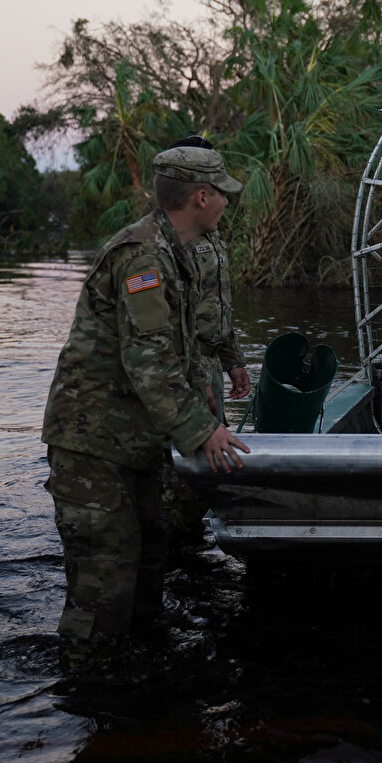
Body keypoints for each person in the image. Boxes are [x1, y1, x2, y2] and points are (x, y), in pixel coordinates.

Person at [42, 144, 250, 667]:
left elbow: (169, 347)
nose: (226, 202)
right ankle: (87, 695)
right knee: (104, 586)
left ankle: (140, 693)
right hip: (94, 442)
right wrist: (204, 430)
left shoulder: (174, 249)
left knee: (147, 569)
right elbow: (147, 359)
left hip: (135, 438)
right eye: (221, 193)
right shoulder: (143, 255)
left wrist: (203, 382)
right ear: (201, 197)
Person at [161, 135, 251, 552]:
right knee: (188, 467)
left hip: (211, 364)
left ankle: (189, 539)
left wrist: (234, 362)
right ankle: (177, 548)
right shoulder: (169, 244)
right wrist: (196, 386)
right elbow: (161, 335)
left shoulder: (211, 236)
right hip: (187, 368)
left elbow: (218, 304)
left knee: (209, 462)